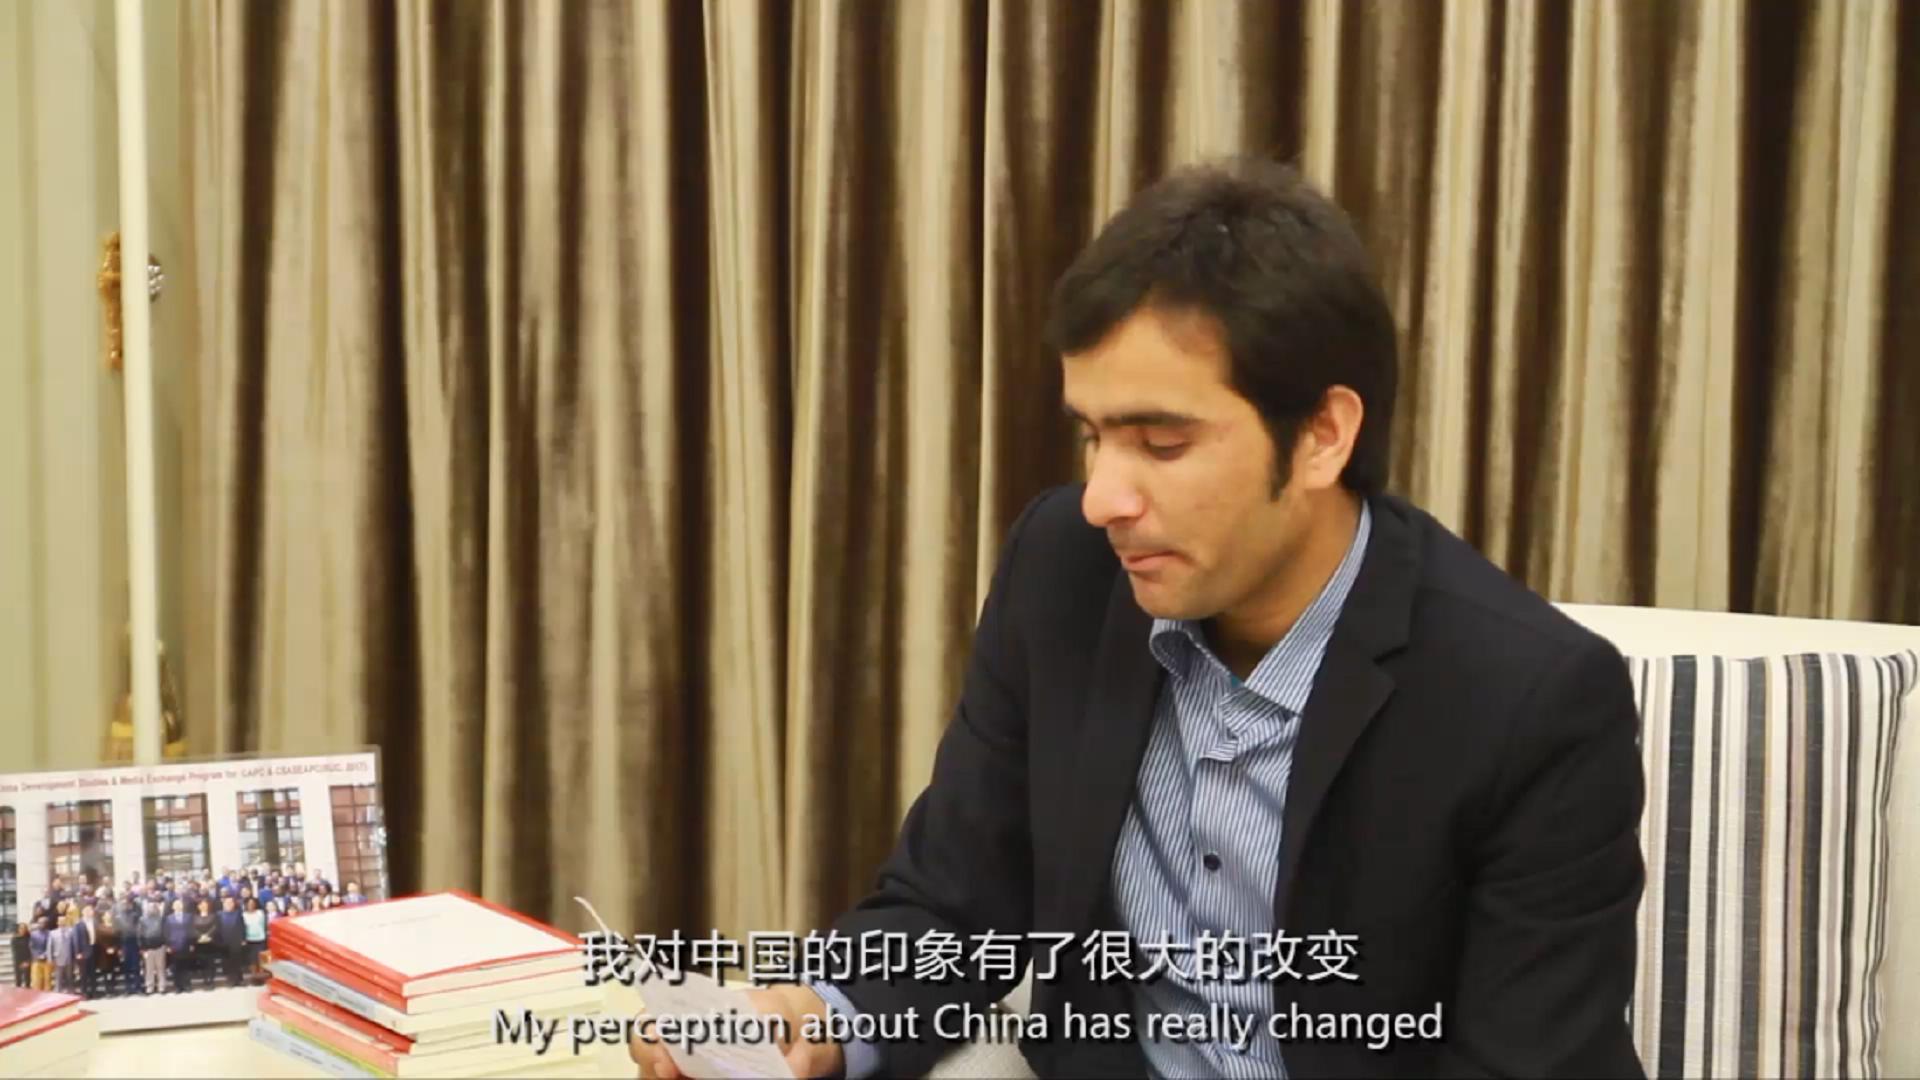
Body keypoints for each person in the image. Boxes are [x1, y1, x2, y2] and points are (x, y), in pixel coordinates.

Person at [632, 159, 1646, 1080]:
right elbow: (956, 899)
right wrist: (819, 1014)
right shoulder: (1066, 572)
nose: (1103, 499)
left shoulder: (1531, 700)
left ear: (1323, 435)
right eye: (1092, 437)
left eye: (1161, 445)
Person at [215, 896, 247, 987]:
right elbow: (217, 928)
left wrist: (243, 939)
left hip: (236, 940)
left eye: (231, 902)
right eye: (227, 903)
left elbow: (242, 927)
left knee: (237, 961)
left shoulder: (238, 913)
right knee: (227, 962)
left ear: (234, 904)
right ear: (223, 904)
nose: (229, 904)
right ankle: (231, 980)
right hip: (224, 941)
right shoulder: (219, 914)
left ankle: (239, 979)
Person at [163, 899, 193, 993]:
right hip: (174, 946)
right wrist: (168, 946)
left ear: (182, 906)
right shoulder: (168, 918)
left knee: (186, 966)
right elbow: (166, 932)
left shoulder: (188, 916)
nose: (178, 906)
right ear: (173, 907)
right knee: (176, 967)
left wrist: (191, 943)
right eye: (176, 905)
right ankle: (178, 987)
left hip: (186, 944)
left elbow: (191, 930)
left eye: (179, 904)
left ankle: (187, 985)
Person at [139, 901, 168, 995]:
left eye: (154, 907)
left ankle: (162, 987)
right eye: (150, 907)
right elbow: (140, 934)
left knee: (161, 967)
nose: (152, 909)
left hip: (160, 947)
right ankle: (149, 987)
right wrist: (142, 947)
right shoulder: (142, 920)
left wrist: (165, 944)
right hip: (148, 949)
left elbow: (165, 932)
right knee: (149, 969)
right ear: (147, 909)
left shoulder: (161, 919)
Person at [190, 899, 218, 990]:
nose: (203, 906)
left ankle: (211, 980)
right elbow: (193, 928)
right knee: (203, 962)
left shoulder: (213, 916)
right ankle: (205, 979)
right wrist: (200, 936)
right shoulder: (194, 917)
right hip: (199, 943)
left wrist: (207, 935)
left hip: (211, 942)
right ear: (198, 907)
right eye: (201, 905)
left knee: (211, 962)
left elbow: (215, 927)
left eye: (205, 905)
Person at [48, 912, 75, 994]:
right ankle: (58, 992)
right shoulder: (52, 933)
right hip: (58, 957)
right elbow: (49, 946)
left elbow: (74, 944)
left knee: (69, 976)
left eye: (64, 921)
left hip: (69, 957)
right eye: (60, 921)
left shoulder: (71, 931)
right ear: (57, 922)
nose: (62, 922)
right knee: (58, 977)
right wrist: (50, 958)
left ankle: (70, 991)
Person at [241, 898, 267, 983]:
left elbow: (264, 924)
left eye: (253, 903)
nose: (251, 905)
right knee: (252, 959)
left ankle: (262, 977)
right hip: (249, 939)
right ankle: (254, 977)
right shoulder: (243, 915)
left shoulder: (260, 913)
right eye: (249, 903)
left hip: (261, 938)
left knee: (262, 958)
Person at [27, 917, 51, 990]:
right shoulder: (33, 934)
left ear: (46, 924)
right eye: (40, 923)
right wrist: (37, 955)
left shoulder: (50, 933)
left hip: (47, 960)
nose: (41, 924)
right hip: (36, 960)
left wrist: (44, 955)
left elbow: (50, 946)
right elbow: (31, 947)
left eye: (43, 923)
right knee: (36, 980)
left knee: (47, 979)